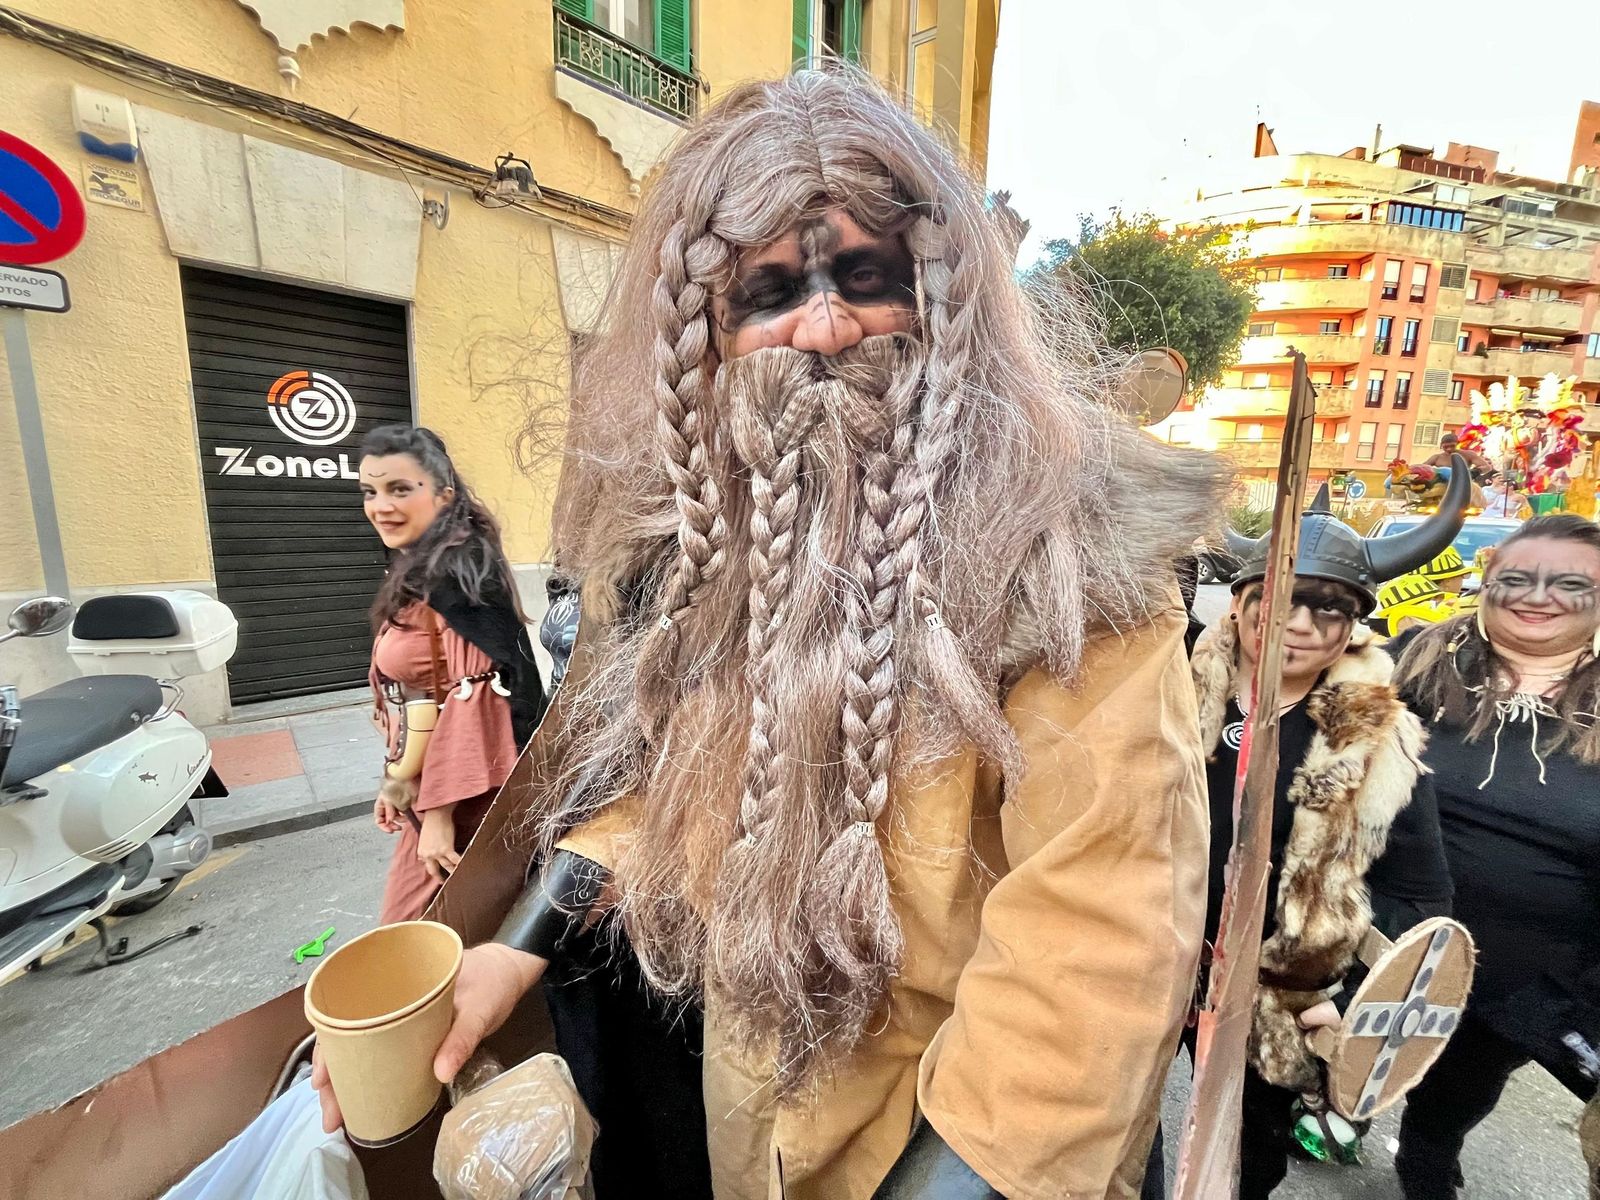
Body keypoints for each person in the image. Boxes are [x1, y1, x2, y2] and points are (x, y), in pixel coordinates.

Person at [319, 67, 1230, 1198]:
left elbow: (1096, 943)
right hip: (751, 1114)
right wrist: (521, 941)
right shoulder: (720, 541)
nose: (824, 327)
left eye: (866, 277)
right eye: (770, 291)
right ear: (709, 334)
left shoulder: (1069, 565)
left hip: (942, 1131)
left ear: (946, 302)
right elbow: (672, 783)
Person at [1142, 479, 1463, 1199]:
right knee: (1125, 1124)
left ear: (1354, 625)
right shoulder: (1166, 690)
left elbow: (1421, 891)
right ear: (1244, 601)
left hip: (1277, 992)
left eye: (1332, 608)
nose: (1304, 622)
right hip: (1150, 954)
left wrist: (1352, 1002)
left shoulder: (1376, 738)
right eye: (1282, 596)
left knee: (1246, 1152)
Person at [1389, 513, 1600, 1199]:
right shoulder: (1414, 663)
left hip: (1543, 981)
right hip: (1390, 943)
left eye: (1569, 583)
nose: (1537, 595)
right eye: (1517, 577)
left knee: (1457, 1093)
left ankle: (1427, 1157)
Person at [359, 424, 546, 923]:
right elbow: (422, 690)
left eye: (400, 489)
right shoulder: (417, 562)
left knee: (420, 932)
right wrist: (397, 780)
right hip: (435, 783)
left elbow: (476, 695)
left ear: (443, 495)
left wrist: (439, 816)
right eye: (370, 492)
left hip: (466, 794)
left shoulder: (459, 569)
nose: (380, 506)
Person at [1427, 433, 1493, 481]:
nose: (1449, 449)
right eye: (1445, 447)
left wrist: (1474, 472)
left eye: (1452, 446)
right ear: (1441, 445)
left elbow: (1487, 467)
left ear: (1458, 443)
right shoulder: (1436, 457)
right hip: (1441, 486)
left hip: (1462, 485)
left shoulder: (1468, 454)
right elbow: (1421, 468)